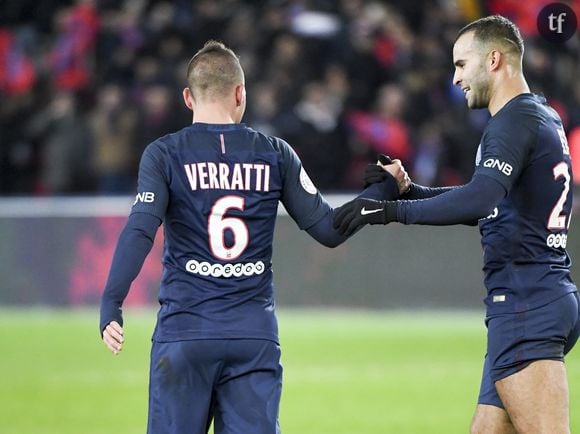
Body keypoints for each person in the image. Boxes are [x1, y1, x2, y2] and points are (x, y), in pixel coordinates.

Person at [99, 40, 410, 434]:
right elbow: (330, 229)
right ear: (240, 93)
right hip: (253, 335)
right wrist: (381, 191)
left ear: (187, 98)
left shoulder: (163, 154)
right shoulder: (276, 153)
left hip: (186, 332)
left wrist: (112, 300)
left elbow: (141, 229)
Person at [334, 15, 580, 434]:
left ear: (495, 59)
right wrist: (409, 190)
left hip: (526, 304)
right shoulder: (540, 115)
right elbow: (489, 202)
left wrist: (391, 212)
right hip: (538, 297)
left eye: (462, 64)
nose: (455, 78)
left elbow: (480, 201)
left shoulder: (511, 123)